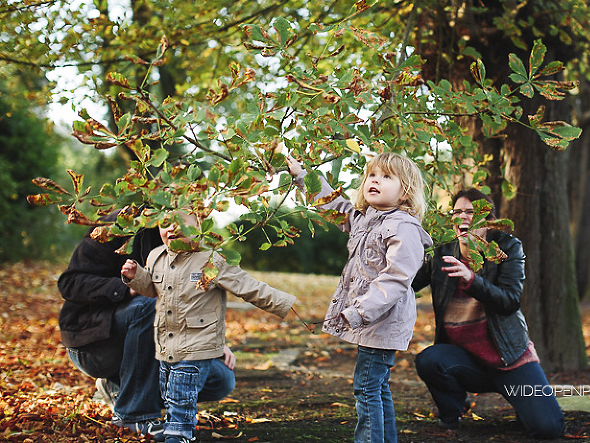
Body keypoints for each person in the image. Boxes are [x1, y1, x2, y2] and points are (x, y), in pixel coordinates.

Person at [287, 152, 433, 443]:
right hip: (371, 322)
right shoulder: (364, 219)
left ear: (405, 191)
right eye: (372, 175)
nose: (375, 181)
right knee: (376, 388)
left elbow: (396, 280)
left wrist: (358, 311)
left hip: (381, 322)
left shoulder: (404, 228)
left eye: (386, 177)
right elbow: (333, 205)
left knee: (366, 388)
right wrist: (302, 175)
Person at [58, 211, 238, 440]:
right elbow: (70, 283)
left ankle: (121, 388)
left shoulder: (192, 244)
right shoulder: (117, 225)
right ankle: (133, 417)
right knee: (149, 306)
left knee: (221, 378)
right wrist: (127, 289)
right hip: (94, 344)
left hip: (147, 347)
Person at [120, 210, 297, 443]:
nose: (171, 229)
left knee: (183, 385)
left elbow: (248, 286)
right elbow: (153, 289)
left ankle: (180, 432)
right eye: (164, 224)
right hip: (167, 339)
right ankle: (174, 423)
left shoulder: (210, 260)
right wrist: (136, 277)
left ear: (199, 224)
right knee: (169, 386)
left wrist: (285, 304)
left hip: (199, 341)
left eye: (180, 223)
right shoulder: (156, 257)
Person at [411, 188, 564, 439]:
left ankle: (519, 398)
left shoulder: (507, 248)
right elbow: (410, 284)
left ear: (489, 220)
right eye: (457, 212)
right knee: (429, 360)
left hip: (509, 360)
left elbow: (510, 301)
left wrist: (472, 279)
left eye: (471, 212)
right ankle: (453, 412)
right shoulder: (442, 253)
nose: (463, 217)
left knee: (548, 428)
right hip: (466, 361)